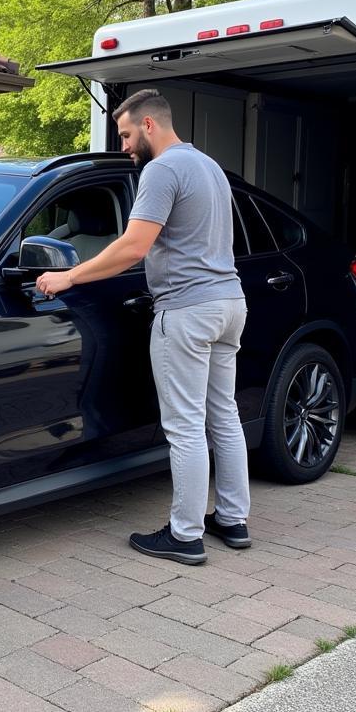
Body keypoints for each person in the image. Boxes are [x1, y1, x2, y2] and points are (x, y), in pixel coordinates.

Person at [36, 88, 251, 564]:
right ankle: (233, 520)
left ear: (149, 125)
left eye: (127, 135)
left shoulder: (162, 169)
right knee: (223, 414)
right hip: (228, 303)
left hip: (188, 310)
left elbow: (134, 247)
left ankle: (185, 535)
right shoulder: (209, 166)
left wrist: (68, 276)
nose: (125, 146)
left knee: (185, 426)